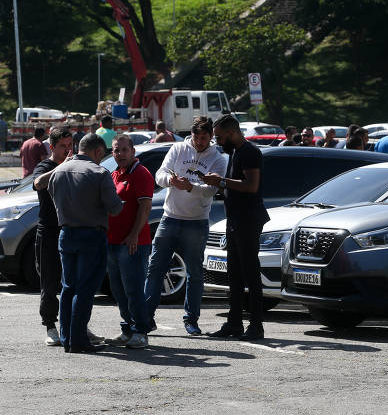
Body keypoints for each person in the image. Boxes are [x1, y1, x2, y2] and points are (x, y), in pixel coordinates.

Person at [145, 117, 227, 336]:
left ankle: (191, 319)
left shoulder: (217, 158)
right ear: (190, 135)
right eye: (196, 137)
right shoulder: (178, 149)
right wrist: (172, 181)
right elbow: (159, 175)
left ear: (211, 137)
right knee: (155, 268)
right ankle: (146, 317)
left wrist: (191, 187)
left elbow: (212, 190)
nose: (200, 142)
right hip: (170, 217)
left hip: (197, 221)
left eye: (204, 138)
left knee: (195, 273)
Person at [47, 133, 123, 353]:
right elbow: (115, 208)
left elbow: (54, 198)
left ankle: (67, 337)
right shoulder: (100, 173)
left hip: (66, 234)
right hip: (92, 234)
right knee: (85, 289)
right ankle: (79, 340)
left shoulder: (58, 171)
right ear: (98, 151)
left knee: (68, 287)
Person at [205, 115, 270, 341]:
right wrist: (219, 184)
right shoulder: (235, 152)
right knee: (233, 273)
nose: (218, 142)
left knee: (250, 272)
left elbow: (251, 186)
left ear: (232, 133)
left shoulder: (250, 152)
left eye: (220, 137)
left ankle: (256, 325)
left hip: (248, 219)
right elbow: (235, 186)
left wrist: (221, 182)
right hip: (235, 219)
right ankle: (234, 323)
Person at [104, 135, 154, 349]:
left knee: (133, 290)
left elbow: (145, 208)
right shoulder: (114, 174)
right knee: (119, 290)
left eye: (125, 150)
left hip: (133, 243)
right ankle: (127, 329)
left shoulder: (141, 174)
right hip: (113, 243)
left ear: (133, 151)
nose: (121, 154)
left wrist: (134, 234)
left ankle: (141, 331)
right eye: (117, 150)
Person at [31, 127, 74, 347]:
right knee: (49, 281)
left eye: (70, 145)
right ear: (51, 147)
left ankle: (76, 324)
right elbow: (38, 183)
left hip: (72, 230)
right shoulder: (45, 166)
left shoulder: (75, 165)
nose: (68, 150)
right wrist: (63, 167)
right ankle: (50, 325)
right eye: (62, 146)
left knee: (74, 282)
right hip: (49, 232)